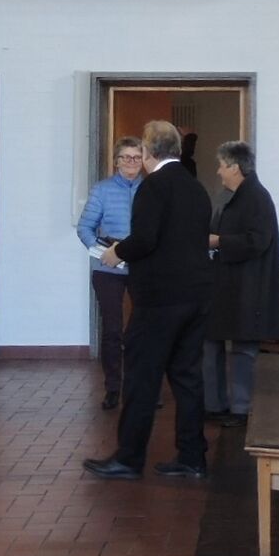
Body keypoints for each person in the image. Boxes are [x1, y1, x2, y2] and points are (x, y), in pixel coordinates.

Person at [82, 121, 214, 480]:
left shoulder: (154, 186)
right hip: (197, 294)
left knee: (141, 376)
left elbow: (145, 239)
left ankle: (128, 458)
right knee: (187, 377)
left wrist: (116, 252)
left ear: (149, 151)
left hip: (160, 299)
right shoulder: (195, 187)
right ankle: (192, 457)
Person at [204, 141, 279, 426]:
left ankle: (240, 409)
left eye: (221, 166)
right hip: (227, 285)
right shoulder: (234, 196)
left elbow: (258, 240)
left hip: (249, 287)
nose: (218, 171)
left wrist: (219, 241)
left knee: (243, 349)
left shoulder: (257, 197)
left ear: (235, 167)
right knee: (210, 341)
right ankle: (213, 404)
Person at [76, 137, 144, 410]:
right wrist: (101, 252)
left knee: (143, 327)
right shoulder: (102, 190)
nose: (131, 162)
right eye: (126, 157)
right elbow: (85, 228)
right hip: (108, 265)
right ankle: (113, 388)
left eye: (136, 157)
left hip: (141, 263)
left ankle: (142, 387)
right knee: (112, 328)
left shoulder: (151, 189)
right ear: (116, 161)